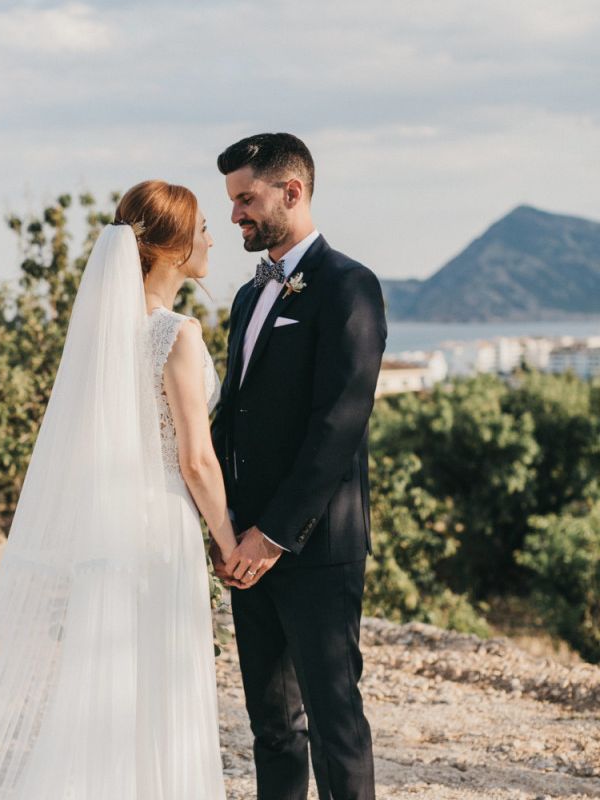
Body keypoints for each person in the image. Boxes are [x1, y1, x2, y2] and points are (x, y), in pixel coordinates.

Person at [0, 180, 234, 799]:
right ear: (171, 248)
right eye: (201, 229)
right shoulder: (177, 333)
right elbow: (196, 460)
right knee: (161, 677)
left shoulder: (104, 333)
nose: (211, 238)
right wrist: (226, 541)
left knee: (110, 678)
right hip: (165, 523)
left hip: (115, 518)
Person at [210, 133, 388, 800]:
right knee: (272, 727)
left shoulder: (349, 286)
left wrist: (274, 533)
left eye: (246, 199)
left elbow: (338, 424)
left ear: (293, 192)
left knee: (335, 725)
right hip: (245, 545)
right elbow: (234, 415)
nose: (235, 216)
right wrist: (223, 521)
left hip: (313, 547)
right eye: (231, 202)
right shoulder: (249, 298)